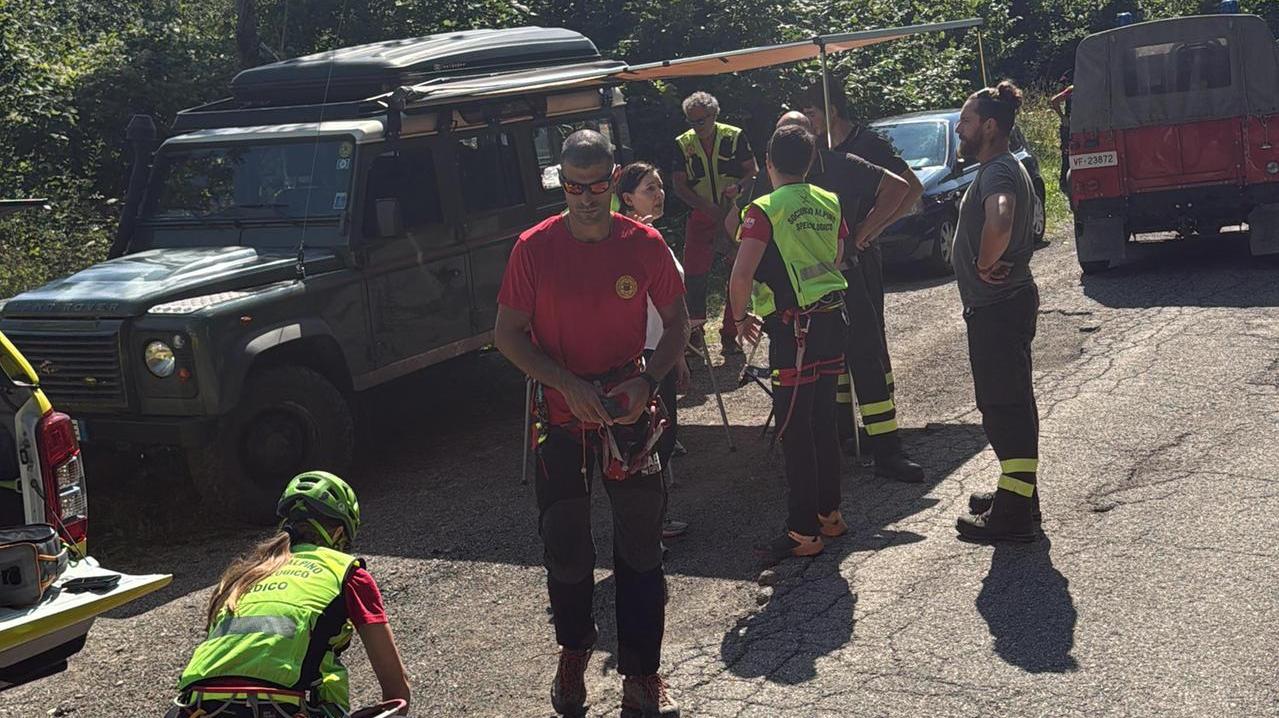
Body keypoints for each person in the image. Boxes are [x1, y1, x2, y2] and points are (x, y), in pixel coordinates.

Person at [494, 130, 689, 718]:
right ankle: (574, 650)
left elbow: (678, 320)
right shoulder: (534, 247)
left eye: (596, 186)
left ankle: (642, 674)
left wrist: (648, 381)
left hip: (628, 410)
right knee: (567, 546)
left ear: (613, 181)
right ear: (561, 182)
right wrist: (564, 383)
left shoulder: (644, 243)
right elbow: (505, 335)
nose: (584, 199)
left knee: (639, 545)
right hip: (560, 412)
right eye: (573, 187)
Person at [729, 112, 927, 484]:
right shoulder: (767, 183)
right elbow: (739, 225)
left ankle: (887, 447)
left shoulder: (842, 165)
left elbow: (902, 188)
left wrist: (865, 232)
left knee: (867, 359)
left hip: (848, 279)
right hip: (803, 297)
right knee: (826, 373)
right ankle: (837, 442)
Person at [168, 471, 411, 718]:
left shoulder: (243, 576)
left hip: (194, 707)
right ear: (339, 533)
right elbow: (396, 692)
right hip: (281, 708)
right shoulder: (347, 572)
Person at [729, 123, 849, 561]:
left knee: (795, 430)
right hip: (832, 320)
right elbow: (836, 257)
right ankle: (829, 515)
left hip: (792, 328)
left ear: (767, 162)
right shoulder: (829, 200)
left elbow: (741, 274)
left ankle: (803, 532)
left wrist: (740, 318)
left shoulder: (763, 209)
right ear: (813, 161)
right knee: (822, 421)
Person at [950, 81, 1043, 543]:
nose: (959, 129)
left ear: (989, 126)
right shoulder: (1001, 166)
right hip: (1003, 305)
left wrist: (984, 261)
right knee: (1013, 400)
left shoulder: (997, 174)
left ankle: (1012, 518)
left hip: (997, 307)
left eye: (965, 121)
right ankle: (1019, 495)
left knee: (1004, 407)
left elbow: (1001, 216)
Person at [800, 79, 924, 397]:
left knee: (869, 335)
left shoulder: (867, 145)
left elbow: (912, 189)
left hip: (861, 255)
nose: (808, 123)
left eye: (811, 114)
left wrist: (872, 228)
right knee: (836, 335)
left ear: (830, 110)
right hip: (829, 259)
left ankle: (882, 405)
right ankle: (842, 421)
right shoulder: (817, 151)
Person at [617, 161, 692, 540]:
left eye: (660, 185)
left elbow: (666, 307)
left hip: (659, 347)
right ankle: (652, 521)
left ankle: (655, 517)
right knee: (653, 437)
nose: (659, 193)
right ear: (628, 198)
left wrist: (676, 351)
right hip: (644, 353)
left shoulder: (651, 236)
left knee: (662, 434)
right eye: (650, 188)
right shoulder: (630, 241)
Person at [671, 91, 758, 357]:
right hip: (701, 216)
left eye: (701, 121)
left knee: (736, 273)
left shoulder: (734, 136)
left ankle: (730, 336)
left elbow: (752, 171)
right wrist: (704, 207)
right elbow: (678, 185)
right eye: (692, 121)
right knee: (694, 277)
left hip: (732, 213)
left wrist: (738, 188)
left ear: (714, 115)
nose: (697, 127)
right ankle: (695, 337)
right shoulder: (682, 143)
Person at [1050, 71, 1075, 197]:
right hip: (1069, 126)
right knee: (1066, 155)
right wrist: (1063, 117)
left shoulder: (1073, 89)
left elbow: (1054, 101)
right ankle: (1064, 182)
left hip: (1073, 125)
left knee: (1068, 154)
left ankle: (1067, 181)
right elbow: (1054, 100)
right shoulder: (1072, 89)